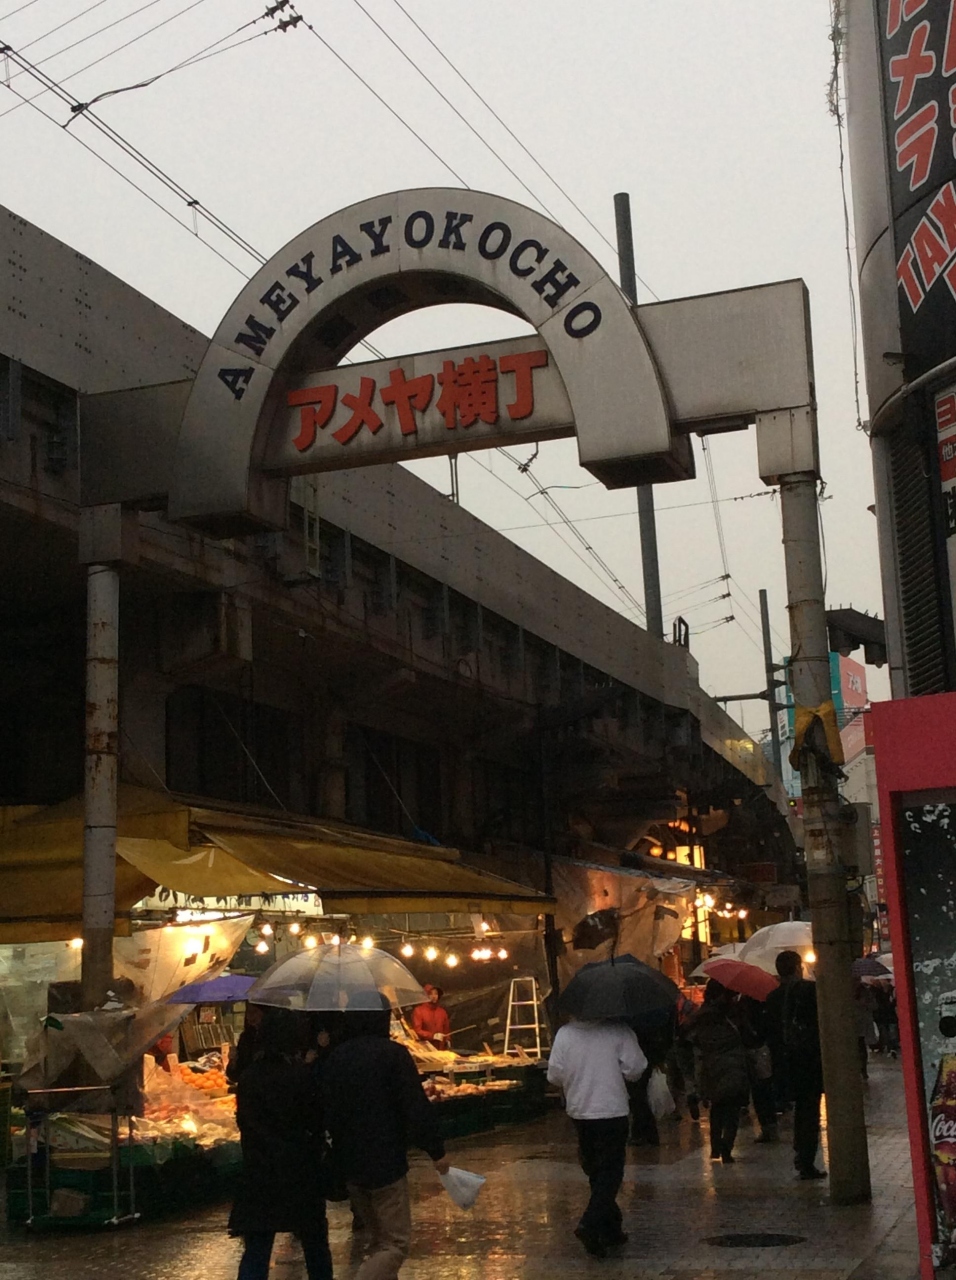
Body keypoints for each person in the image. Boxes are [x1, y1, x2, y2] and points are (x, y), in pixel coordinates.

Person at [322, 992, 449, 1279]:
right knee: (395, 1244)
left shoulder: (336, 1057)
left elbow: (326, 1108)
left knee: (378, 1242)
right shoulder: (393, 1055)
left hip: (349, 1163)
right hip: (386, 1161)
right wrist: (436, 1150)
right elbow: (414, 1106)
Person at [228, 1007, 333, 1280]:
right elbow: (316, 1120)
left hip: (259, 1170)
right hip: (300, 1171)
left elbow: (244, 1121)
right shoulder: (303, 1076)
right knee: (315, 1245)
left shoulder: (249, 1079)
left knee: (257, 1248)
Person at [547, 1017, 647, 1258]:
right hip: (612, 1109)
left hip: (580, 1110)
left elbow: (554, 1075)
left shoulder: (565, 1034)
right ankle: (590, 1223)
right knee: (611, 1172)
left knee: (595, 1169)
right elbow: (636, 1068)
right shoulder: (618, 1030)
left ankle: (611, 1227)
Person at [687, 981, 750, 1164]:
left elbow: (689, 1041)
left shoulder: (699, 1017)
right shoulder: (732, 1015)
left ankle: (715, 1146)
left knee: (717, 1108)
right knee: (732, 1110)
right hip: (733, 1066)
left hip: (711, 1069)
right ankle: (726, 1147)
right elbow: (745, 1037)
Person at [781, 957, 827, 1180]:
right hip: (809, 1064)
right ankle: (806, 1158)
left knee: (802, 1112)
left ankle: (801, 1154)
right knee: (809, 1112)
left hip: (788, 1064)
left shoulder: (774, 996)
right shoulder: (807, 992)